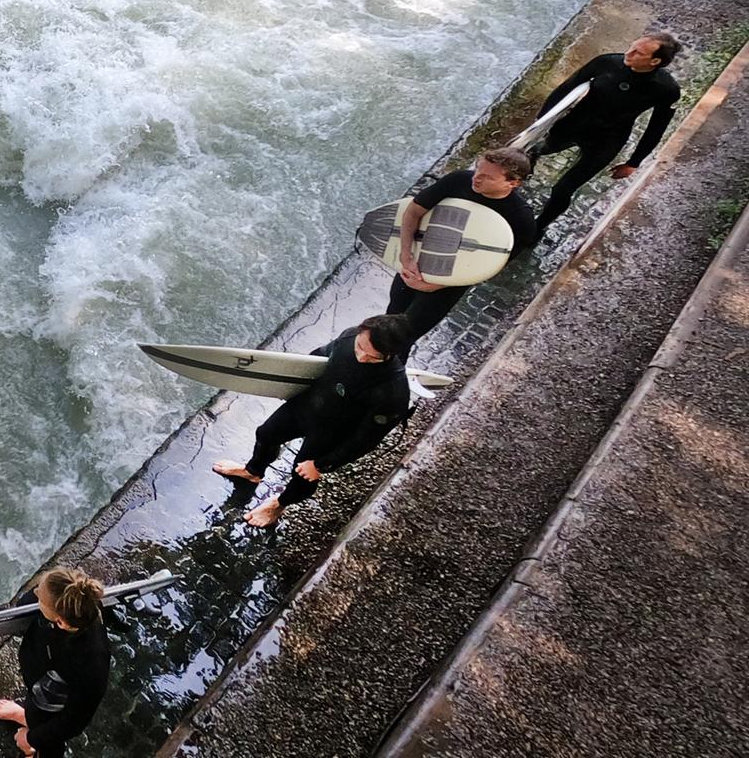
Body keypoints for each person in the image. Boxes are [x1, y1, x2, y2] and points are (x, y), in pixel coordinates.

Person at [212, 314, 414, 528]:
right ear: (361, 332)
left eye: (373, 357)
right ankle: (253, 471)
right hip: (309, 405)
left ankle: (279, 505)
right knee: (266, 434)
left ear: (391, 354)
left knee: (303, 474)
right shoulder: (350, 336)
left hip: (334, 432)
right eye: (360, 347)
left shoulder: (393, 393)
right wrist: (288, 385)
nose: (362, 357)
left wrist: (322, 464)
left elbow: (365, 440)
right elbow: (319, 357)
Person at [529, 32, 683, 233]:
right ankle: (518, 178)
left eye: (639, 52)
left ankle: (536, 229)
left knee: (563, 189)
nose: (629, 52)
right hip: (573, 125)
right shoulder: (607, 63)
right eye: (632, 46)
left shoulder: (666, 89)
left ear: (655, 61)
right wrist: (540, 122)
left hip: (607, 140)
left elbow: (656, 128)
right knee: (536, 150)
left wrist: (633, 163)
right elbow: (565, 89)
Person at [387, 147, 538, 341]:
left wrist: (438, 285)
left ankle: (390, 369)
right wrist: (405, 254)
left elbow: (494, 265)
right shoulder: (458, 181)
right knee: (389, 319)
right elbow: (413, 212)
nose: (476, 178)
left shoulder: (521, 218)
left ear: (513, 183)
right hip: (416, 262)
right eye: (477, 170)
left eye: (488, 177)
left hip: (452, 282)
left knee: (406, 335)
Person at [0, 567, 112, 757]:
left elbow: (73, 722)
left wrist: (32, 739)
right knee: (36, 704)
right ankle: (25, 716)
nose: (36, 594)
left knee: (50, 733)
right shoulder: (74, 596)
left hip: (59, 695)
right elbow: (23, 610)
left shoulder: (92, 664)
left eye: (39, 597)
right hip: (42, 676)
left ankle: (36, 748)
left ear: (60, 622)